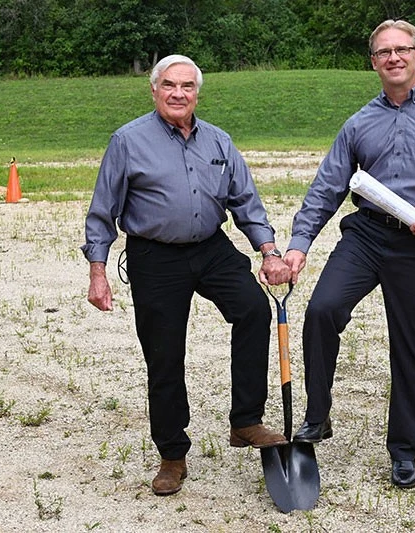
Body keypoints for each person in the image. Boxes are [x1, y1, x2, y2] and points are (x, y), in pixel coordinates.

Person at [283, 20, 415, 489]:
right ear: (374, 62)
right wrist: (299, 244)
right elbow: (327, 187)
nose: (393, 58)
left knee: (412, 346)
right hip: (366, 236)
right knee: (321, 310)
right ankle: (318, 415)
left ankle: (403, 450)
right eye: (384, 52)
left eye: (402, 49)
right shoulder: (359, 123)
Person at [81, 54, 292, 497]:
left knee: (253, 309)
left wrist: (269, 252)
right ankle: (172, 455)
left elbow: (245, 202)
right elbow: (103, 210)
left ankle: (246, 420)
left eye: (187, 86)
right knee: (164, 353)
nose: (178, 94)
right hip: (154, 256)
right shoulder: (128, 141)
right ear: (154, 90)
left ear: (197, 93)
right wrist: (97, 271)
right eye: (169, 85)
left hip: (211, 248)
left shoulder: (218, 140)